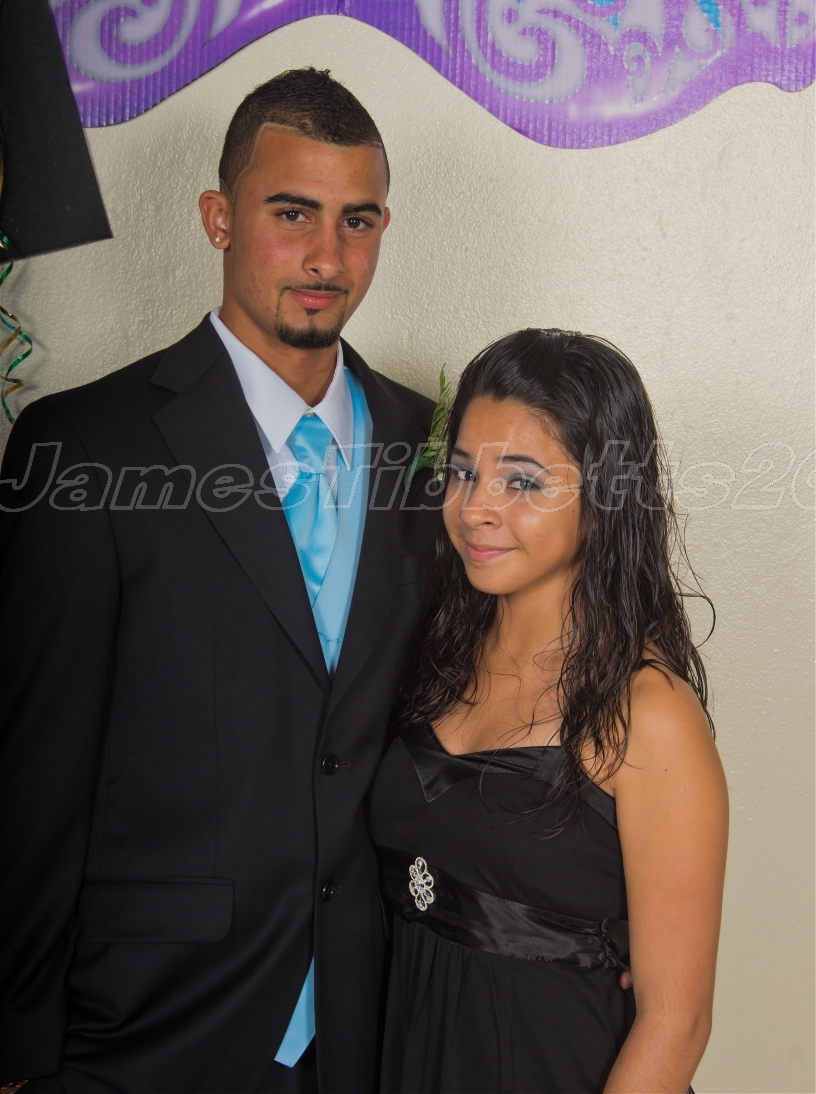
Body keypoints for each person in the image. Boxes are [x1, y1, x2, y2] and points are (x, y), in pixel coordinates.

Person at [0, 68, 441, 1093]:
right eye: (292, 213)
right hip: (143, 1032)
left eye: (357, 219)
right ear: (218, 218)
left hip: (373, 1028)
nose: (327, 255)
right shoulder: (81, 447)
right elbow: (32, 778)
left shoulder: (432, 450)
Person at [369, 328, 729, 1094]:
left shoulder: (649, 715)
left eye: (523, 483)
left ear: (603, 499)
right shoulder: (430, 656)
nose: (476, 509)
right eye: (463, 472)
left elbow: (677, 1023)